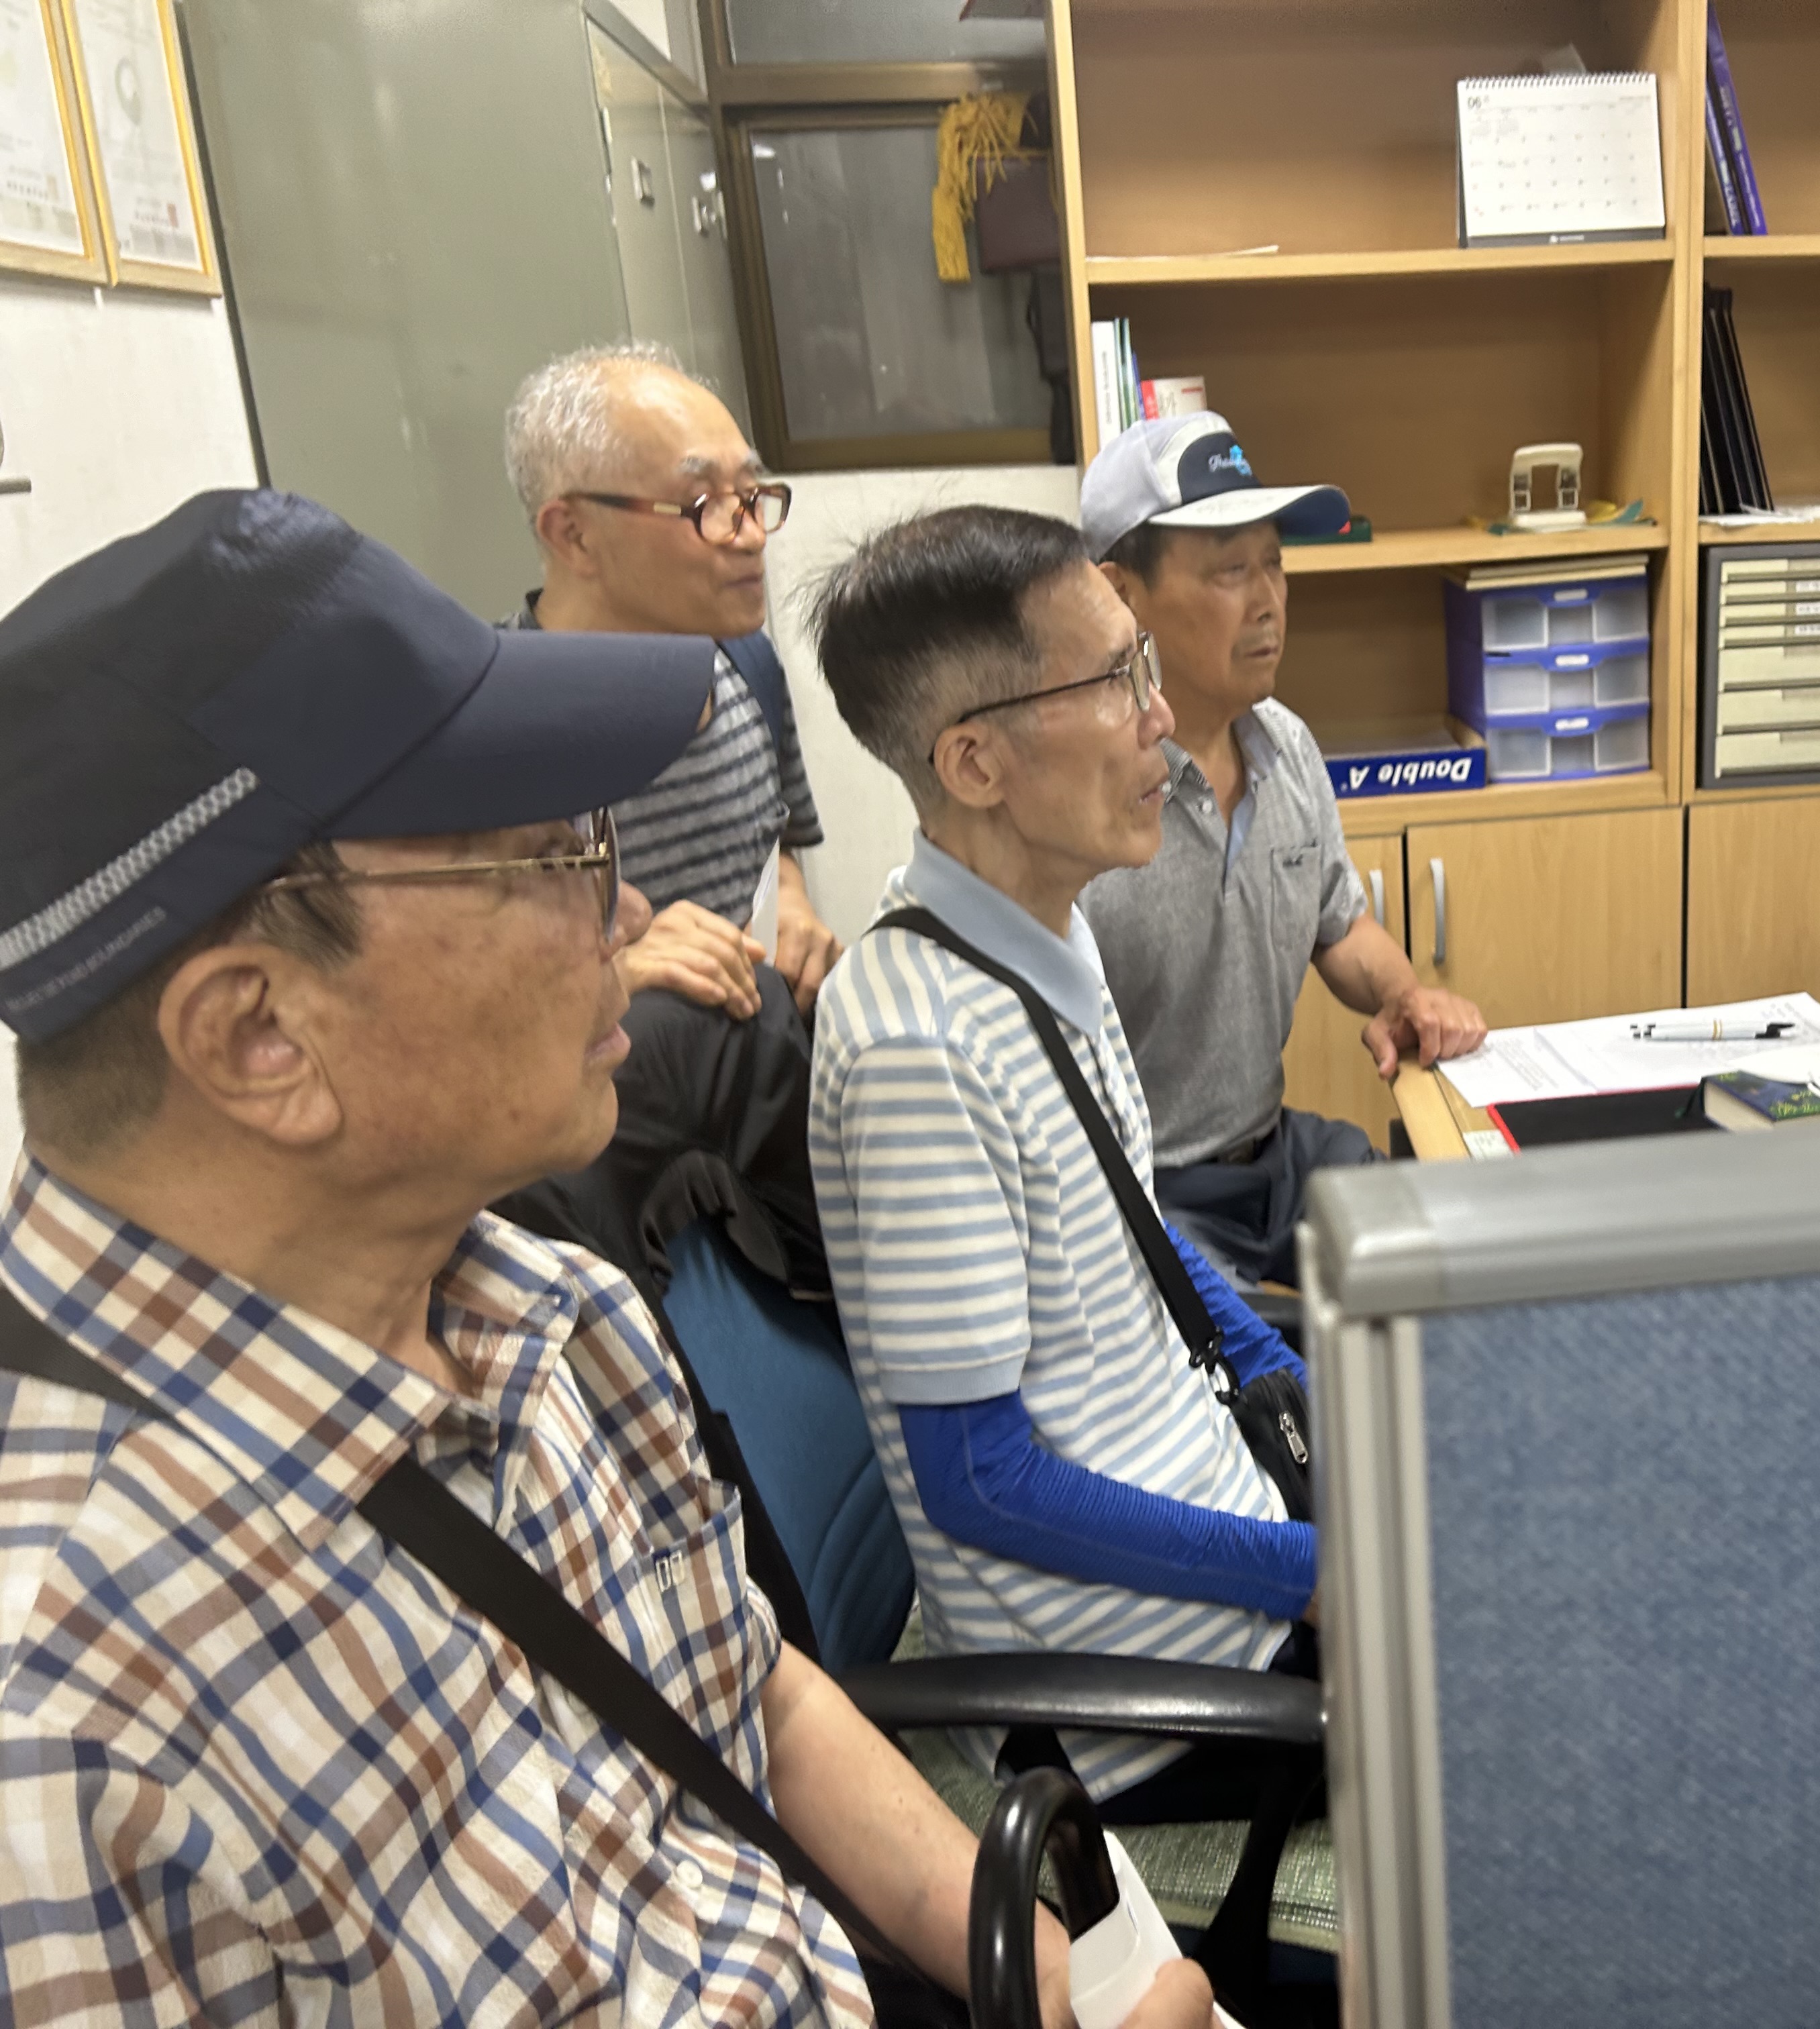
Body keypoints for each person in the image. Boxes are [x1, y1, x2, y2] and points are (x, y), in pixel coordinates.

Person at [0, 490, 1206, 2029]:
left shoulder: (551, 1306)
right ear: (257, 1035)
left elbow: (755, 1694)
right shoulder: (73, 1728)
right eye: (547, 858)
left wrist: (1040, 1980)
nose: (627, 910)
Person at [806, 505, 1316, 1814]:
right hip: (1141, 1700)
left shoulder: (1034, 935)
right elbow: (981, 1482)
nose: (1162, 717)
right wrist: (1305, 1571)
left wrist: (1290, 1379)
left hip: (1223, 1539)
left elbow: (1129, 1220)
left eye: (1142, 663)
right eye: (1115, 680)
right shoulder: (918, 1047)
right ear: (975, 761)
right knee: (1558, 1694)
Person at [1076, 414, 1486, 1288]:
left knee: (1454, 1258)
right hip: (1143, 1193)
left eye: (1275, 564)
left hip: (1276, 1157)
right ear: (1119, 595)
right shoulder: (1078, 800)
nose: (1268, 601)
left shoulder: (1288, 746)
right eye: (1231, 570)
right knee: (1277, 1362)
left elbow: (1340, 928)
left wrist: (1407, 994)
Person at [505, 341, 844, 1019]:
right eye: (703, 503)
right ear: (574, 535)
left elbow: (773, 846)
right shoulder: (486, 737)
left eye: (751, 495)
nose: (751, 535)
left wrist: (792, 904)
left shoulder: (748, 665)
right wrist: (616, 974)